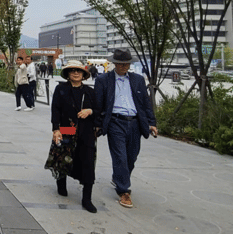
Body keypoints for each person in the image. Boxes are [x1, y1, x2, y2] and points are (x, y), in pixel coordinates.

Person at [95, 48, 157, 209]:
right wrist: (97, 124)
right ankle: (124, 190)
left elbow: (146, 103)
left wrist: (152, 123)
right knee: (120, 157)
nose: (124, 66)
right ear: (114, 63)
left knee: (131, 157)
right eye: (121, 63)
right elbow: (98, 104)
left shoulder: (138, 80)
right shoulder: (103, 80)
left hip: (135, 123)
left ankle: (119, 177)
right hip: (115, 122)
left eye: (126, 63)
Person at [48, 61, 99, 213]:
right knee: (63, 156)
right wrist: (56, 129)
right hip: (67, 128)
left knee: (88, 163)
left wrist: (89, 111)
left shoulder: (90, 92)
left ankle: (87, 198)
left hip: (86, 131)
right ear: (68, 74)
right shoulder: (61, 89)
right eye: (72, 70)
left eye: (79, 71)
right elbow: (55, 109)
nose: (76, 73)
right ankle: (61, 183)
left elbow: (99, 110)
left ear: (84, 74)